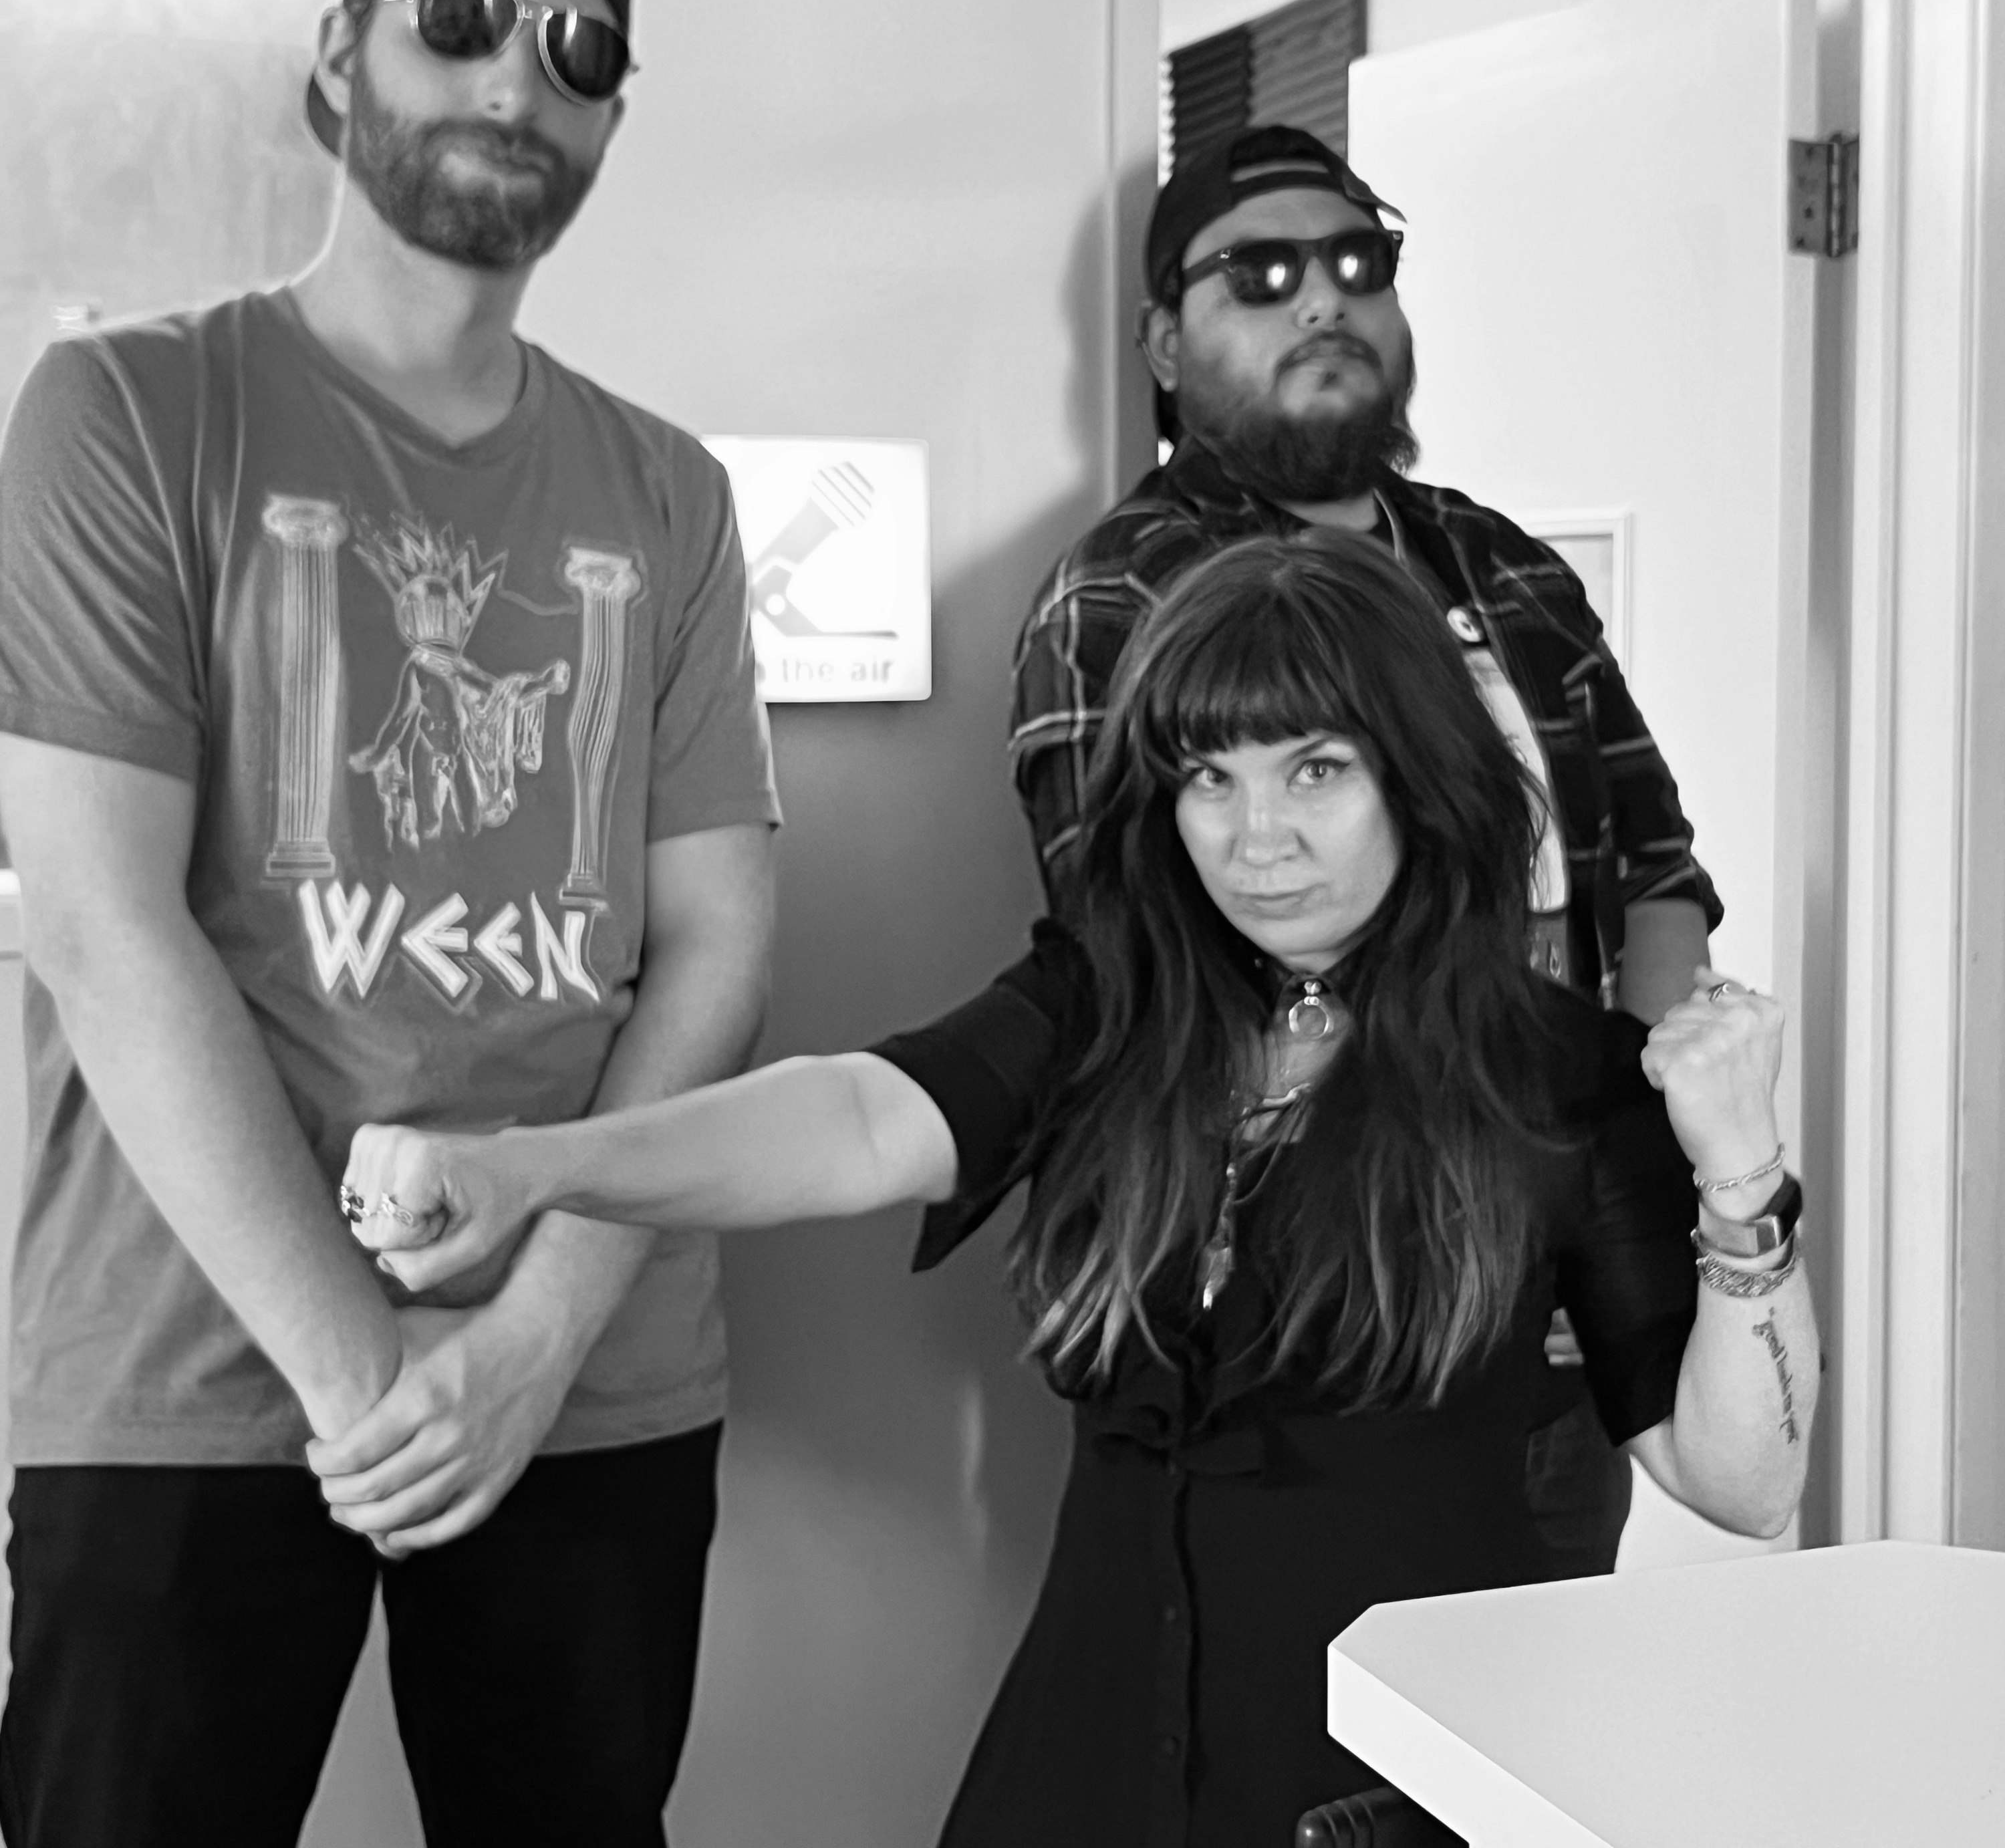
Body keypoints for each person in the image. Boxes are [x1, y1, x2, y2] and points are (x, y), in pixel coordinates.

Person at [339, 537, 1817, 1847]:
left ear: (1417, 782)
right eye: (1210, 779)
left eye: (1316, 770)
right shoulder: (1113, 1003)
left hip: (1378, 1796)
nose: (1256, 839)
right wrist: (536, 1167)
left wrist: (1739, 1165)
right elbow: (858, 1120)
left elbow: (1742, 1482)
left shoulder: (1560, 1081)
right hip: (1092, 1762)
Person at [0, 0, 778, 1847]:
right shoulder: (127, 409)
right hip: (185, 1369)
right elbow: (97, 920)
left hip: (587, 1378)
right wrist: (376, 1384)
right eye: (459, 17)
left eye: (578, 51)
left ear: (611, 120)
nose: (518, 76)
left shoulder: (669, 493)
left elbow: (710, 942)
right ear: (338, 54)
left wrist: (530, 1342)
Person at [1012, 122, 1726, 1574]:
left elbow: (1654, 875)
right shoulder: (1126, 596)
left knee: (1527, 1683)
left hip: (1549, 1313)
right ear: (1164, 342)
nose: (1324, 300)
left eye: (1359, 263)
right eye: (1261, 276)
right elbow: (1149, 957)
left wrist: (1632, 1189)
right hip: (1308, 1317)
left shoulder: (1504, 565)